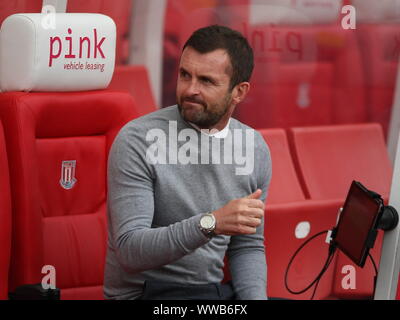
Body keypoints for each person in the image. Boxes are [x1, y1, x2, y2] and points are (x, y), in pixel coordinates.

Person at [104, 25, 272, 300]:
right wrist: (211, 223)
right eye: (185, 75)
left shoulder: (254, 148)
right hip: (146, 295)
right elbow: (129, 250)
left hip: (210, 295)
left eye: (206, 81)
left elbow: (247, 246)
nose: (190, 89)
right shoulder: (138, 139)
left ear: (239, 92)